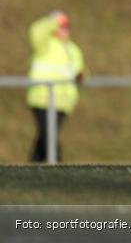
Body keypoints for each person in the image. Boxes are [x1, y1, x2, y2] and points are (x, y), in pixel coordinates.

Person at [26, 12, 85, 162]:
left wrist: (82, 75)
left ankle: (33, 166)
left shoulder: (73, 49)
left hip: (63, 102)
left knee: (44, 138)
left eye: (66, 26)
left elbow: (79, 70)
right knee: (49, 138)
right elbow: (35, 32)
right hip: (42, 98)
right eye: (61, 26)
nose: (64, 30)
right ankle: (57, 165)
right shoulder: (45, 44)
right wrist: (52, 21)